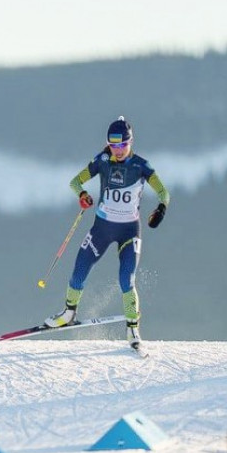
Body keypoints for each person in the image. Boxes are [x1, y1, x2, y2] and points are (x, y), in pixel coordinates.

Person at [44, 116, 170, 350]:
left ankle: (133, 328)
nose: (118, 150)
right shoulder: (102, 161)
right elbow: (75, 182)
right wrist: (82, 195)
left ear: (130, 142)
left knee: (126, 280)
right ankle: (69, 313)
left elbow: (164, 192)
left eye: (122, 145)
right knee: (79, 269)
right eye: (113, 145)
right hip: (102, 228)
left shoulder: (141, 166)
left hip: (129, 232)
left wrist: (161, 209)